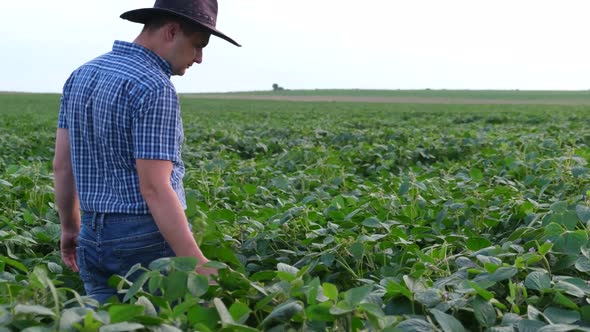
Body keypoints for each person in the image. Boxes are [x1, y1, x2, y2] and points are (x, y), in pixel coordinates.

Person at [52, 0, 240, 303]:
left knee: (107, 321)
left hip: (90, 234)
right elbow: (154, 187)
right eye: (198, 45)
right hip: (144, 237)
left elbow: (62, 165)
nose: (200, 58)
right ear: (171, 31)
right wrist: (197, 262)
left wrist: (70, 228)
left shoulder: (81, 75)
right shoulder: (154, 86)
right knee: (160, 319)